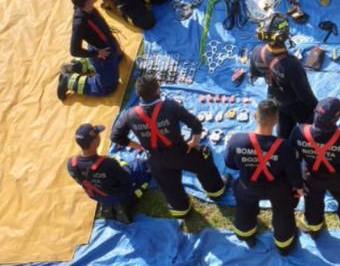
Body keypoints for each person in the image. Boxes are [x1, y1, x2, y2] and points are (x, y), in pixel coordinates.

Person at [111, 75, 231, 219]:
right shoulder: (170, 106)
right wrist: (194, 142)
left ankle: (181, 209)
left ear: (138, 94)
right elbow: (195, 124)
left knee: (169, 185)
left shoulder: (129, 115)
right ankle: (215, 190)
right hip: (180, 152)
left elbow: (115, 136)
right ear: (157, 90)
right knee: (204, 159)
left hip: (156, 159)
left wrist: (137, 146)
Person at [225, 99, 303, 255]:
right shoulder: (285, 147)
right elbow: (293, 174)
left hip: (247, 186)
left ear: (255, 116)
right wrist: (299, 188)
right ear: (276, 121)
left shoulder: (237, 141)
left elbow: (230, 164)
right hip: (277, 188)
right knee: (283, 212)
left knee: (244, 208)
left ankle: (245, 233)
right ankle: (284, 244)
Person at [289, 97, 340, 240]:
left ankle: (313, 228)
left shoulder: (299, 131)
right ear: (336, 118)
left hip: (311, 176)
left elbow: (293, 154)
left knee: (312, 202)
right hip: (339, 177)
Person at [249, 14, 319, 139]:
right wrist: (318, 108)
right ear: (285, 36)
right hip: (296, 104)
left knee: (283, 133)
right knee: (309, 132)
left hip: (275, 100)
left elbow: (255, 73)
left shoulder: (256, 51)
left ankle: (284, 149)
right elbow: (304, 94)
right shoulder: (291, 64)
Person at [66, 123, 151, 221]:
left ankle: (110, 205)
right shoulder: (108, 163)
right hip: (118, 193)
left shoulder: (71, 164)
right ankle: (127, 201)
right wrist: (123, 165)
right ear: (95, 142)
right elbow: (127, 179)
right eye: (98, 135)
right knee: (139, 165)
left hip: (98, 196)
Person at [57, 0, 123, 101]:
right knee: (108, 87)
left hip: (107, 46)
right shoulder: (80, 23)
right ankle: (69, 81)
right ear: (86, 2)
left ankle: (79, 66)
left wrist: (114, 43)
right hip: (101, 53)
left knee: (119, 58)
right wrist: (97, 54)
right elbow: (74, 50)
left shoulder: (89, 8)